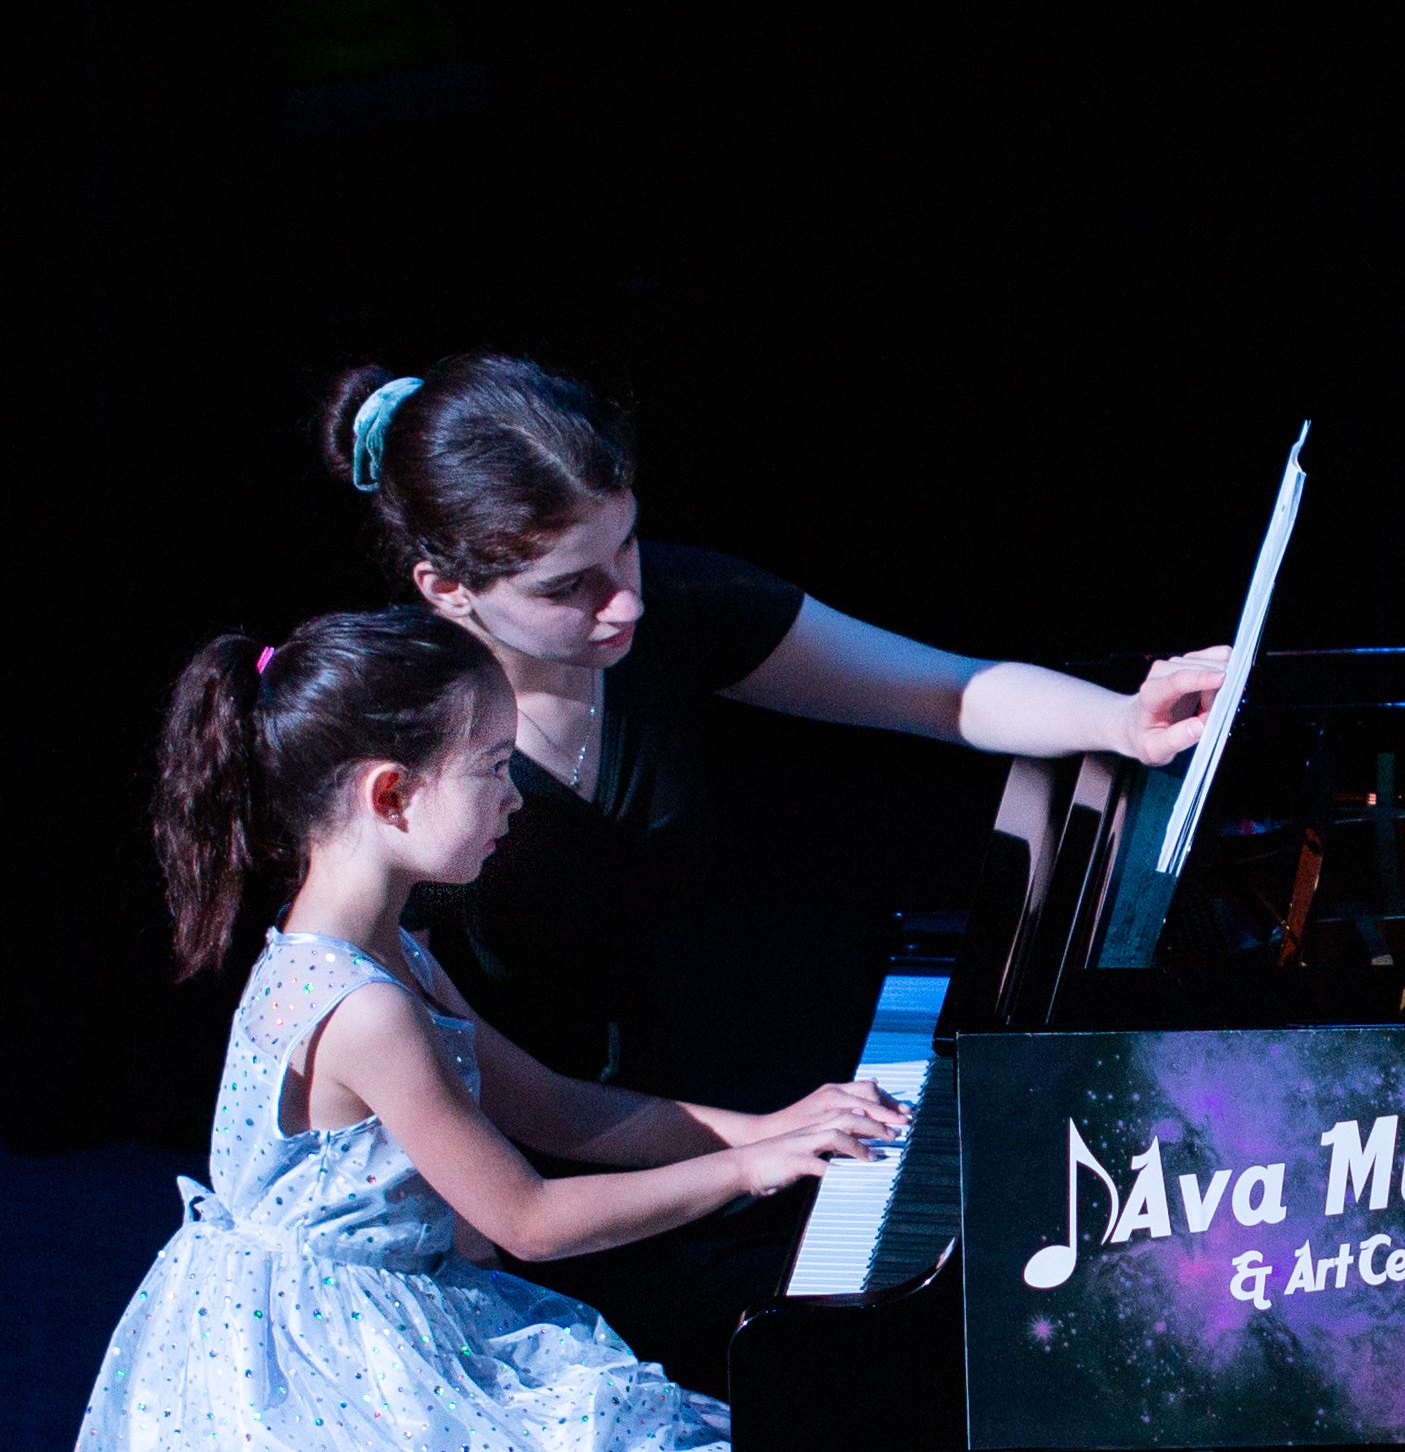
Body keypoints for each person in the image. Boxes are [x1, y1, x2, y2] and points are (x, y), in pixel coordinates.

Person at [52, 607, 888, 1452]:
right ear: (389, 793)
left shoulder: (389, 950)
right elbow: (528, 1214)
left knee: (658, 1450)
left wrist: (770, 1117)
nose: (514, 798)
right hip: (319, 1385)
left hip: (379, 1326)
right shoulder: (358, 1002)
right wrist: (749, 1172)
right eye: (492, 768)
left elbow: (557, 1107)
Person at [320, 353, 1220, 1379]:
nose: (622, 603)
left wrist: (1121, 719)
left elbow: (943, 693)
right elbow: (511, 1102)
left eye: (626, 548)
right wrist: (749, 1148)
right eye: (567, 587)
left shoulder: (662, 616)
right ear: (444, 589)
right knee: (879, 1367)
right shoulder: (398, 746)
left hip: (661, 1124)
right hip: (503, 1205)